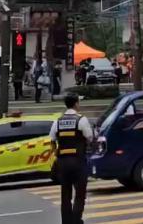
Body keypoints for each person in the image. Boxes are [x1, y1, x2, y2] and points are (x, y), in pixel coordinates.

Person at [50, 93, 93, 224]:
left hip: (63, 162)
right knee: (80, 194)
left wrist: (56, 156)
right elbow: (89, 137)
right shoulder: (81, 120)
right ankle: (76, 220)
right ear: (75, 104)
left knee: (65, 195)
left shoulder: (58, 121)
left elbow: (52, 140)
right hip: (78, 162)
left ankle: (66, 222)